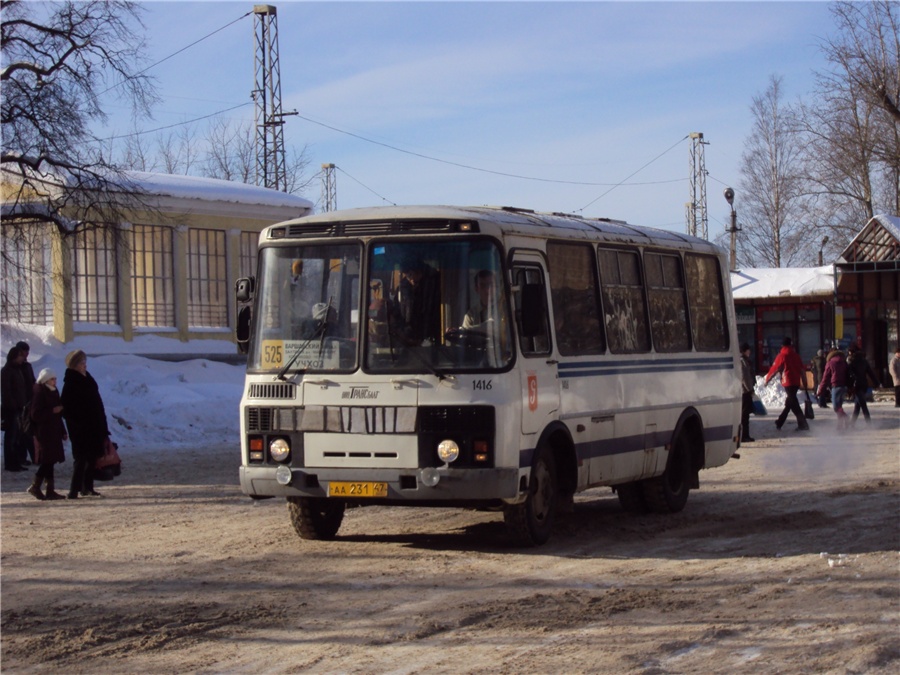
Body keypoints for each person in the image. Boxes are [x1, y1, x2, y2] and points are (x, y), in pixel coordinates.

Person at [61, 350, 110, 499]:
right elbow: (67, 409)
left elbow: (97, 402)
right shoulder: (71, 383)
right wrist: (79, 422)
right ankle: (73, 490)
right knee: (81, 459)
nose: (85, 365)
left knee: (92, 457)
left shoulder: (88, 379)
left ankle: (87, 487)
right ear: (75, 365)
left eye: (84, 362)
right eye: (82, 363)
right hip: (80, 428)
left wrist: (102, 425)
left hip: (94, 425)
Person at [26, 368, 67, 501]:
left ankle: (50, 490)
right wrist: (52, 410)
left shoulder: (53, 391)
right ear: (45, 380)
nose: (55, 381)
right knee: (47, 460)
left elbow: (58, 415)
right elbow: (35, 414)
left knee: (51, 460)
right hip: (44, 432)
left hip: (53, 431)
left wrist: (63, 430)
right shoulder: (39, 392)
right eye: (52, 379)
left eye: (55, 379)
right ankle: (35, 486)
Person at [764, 336, 809, 431]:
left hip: (787, 382)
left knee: (793, 403)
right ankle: (780, 421)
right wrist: (805, 383)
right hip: (796, 382)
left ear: (782, 345)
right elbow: (802, 370)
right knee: (790, 402)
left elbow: (774, 369)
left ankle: (803, 424)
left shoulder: (781, 356)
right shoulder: (796, 356)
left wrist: (767, 379)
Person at [395, 258, 441, 345]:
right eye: (407, 275)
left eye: (412, 273)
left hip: (432, 337)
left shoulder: (435, 284)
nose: (410, 278)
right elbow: (397, 311)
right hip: (407, 338)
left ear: (420, 271)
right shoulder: (402, 288)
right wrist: (401, 331)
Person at [1, 346, 28, 472]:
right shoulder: (7, 371)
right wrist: (13, 405)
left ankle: (16, 461)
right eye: (20, 356)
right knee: (11, 437)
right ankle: (10, 463)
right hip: (11, 409)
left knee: (17, 437)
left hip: (18, 407)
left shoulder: (18, 370)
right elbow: (7, 392)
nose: (22, 358)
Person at [846, 345, 880, 425]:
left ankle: (869, 423)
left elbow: (849, 375)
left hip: (856, 385)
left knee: (863, 405)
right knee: (858, 405)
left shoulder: (851, 361)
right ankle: (852, 423)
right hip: (864, 384)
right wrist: (877, 383)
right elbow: (870, 373)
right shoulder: (864, 361)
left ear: (852, 352)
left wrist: (848, 386)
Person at [817, 349, 850, 431]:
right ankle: (840, 426)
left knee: (836, 407)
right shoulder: (843, 362)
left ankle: (846, 418)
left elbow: (825, 378)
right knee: (839, 407)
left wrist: (820, 390)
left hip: (835, 386)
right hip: (843, 386)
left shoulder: (830, 363)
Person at [16, 341, 36, 465]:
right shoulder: (15, 367)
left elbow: (31, 381)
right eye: (25, 351)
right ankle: (25, 456)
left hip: (28, 401)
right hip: (20, 403)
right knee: (22, 432)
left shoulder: (27, 366)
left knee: (27, 431)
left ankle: (32, 456)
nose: (27, 354)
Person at [740, 343, 755, 442]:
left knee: (745, 414)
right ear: (745, 351)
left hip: (745, 390)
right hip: (745, 391)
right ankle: (744, 435)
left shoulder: (743, 360)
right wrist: (750, 389)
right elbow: (744, 377)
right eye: (748, 350)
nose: (749, 352)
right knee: (745, 414)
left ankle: (745, 435)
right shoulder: (742, 361)